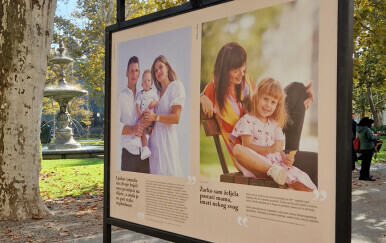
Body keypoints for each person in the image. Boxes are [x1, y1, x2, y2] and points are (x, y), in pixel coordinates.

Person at [200, 42, 315, 186]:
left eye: (243, 68)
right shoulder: (214, 89)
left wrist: (303, 95)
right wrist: (202, 96)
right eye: (236, 70)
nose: (241, 73)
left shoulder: (246, 81)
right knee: (317, 166)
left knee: (297, 89)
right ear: (224, 69)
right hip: (252, 156)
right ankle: (288, 164)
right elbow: (190, 102)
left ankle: (291, 154)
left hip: (272, 149)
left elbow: (267, 103)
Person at [231, 78, 316, 191]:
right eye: (265, 99)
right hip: (257, 164)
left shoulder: (274, 124)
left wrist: (284, 157)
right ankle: (274, 173)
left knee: (300, 181)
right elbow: (247, 146)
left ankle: (312, 196)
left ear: (277, 106)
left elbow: (277, 148)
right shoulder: (248, 120)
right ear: (256, 97)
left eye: (273, 102)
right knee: (238, 149)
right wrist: (269, 149)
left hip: (276, 164)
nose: (268, 105)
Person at [143, 55, 185, 176]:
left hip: (167, 141)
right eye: (155, 71)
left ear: (167, 67)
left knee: (170, 177)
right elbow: (153, 119)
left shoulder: (176, 86)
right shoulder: (155, 94)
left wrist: (155, 117)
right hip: (154, 143)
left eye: (160, 67)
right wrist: (149, 126)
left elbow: (176, 118)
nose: (158, 72)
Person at [118, 56, 150, 173]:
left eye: (136, 71)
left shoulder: (144, 95)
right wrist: (132, 129)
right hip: (128, 155)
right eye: (131, 71)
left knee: (145, 190)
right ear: (127, 73)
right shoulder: (120, 97)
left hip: (145, 154)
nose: (134, 74)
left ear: (139, 73)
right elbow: (114, 125)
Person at [135, 70, 159, 160]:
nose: (146, 83)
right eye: (144, 81)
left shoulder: (153, 93)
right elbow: (137, 105)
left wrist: (153, 103)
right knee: (142, 132)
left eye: (148, 81)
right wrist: (139, 115)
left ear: (151, 83)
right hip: (142, 116)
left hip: (149, 116)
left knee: (140, 129)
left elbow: (157, 102)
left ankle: (140, 144)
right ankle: (145, 148)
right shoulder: (140, 94)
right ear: (141, 84)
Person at [356, 117, 377, 181]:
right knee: (367, 162)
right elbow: (370, 138)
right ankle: (367, 176)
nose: (371, 125)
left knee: (364, 162)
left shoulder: (358, 128)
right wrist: (374, 135)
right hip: (368, 147)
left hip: (362, 147)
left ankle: (362, 175)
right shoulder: (367, 129)